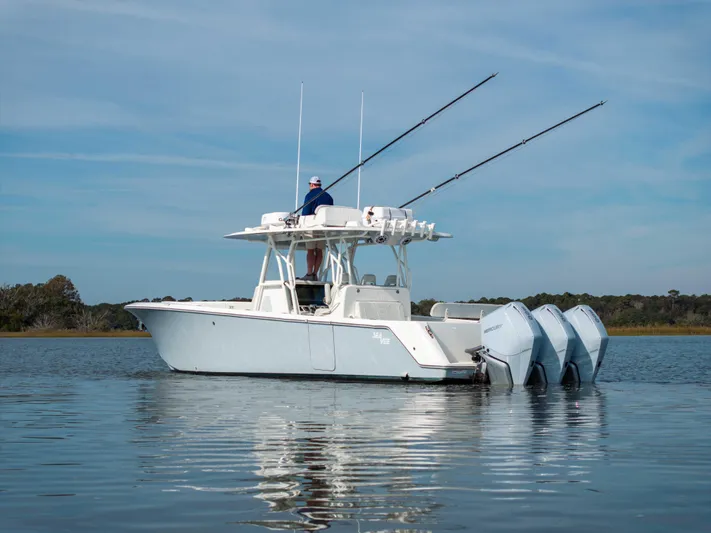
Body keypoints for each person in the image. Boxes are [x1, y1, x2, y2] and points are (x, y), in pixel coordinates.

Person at [302, 176, 333, 280]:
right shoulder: (329, 197)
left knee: (310, 250)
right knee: (319, 250)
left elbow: (305, 213)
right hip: (323, 228)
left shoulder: (309, 195)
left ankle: (309, 273)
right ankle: (315, 274)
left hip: (311, 226)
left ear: (311, 184)